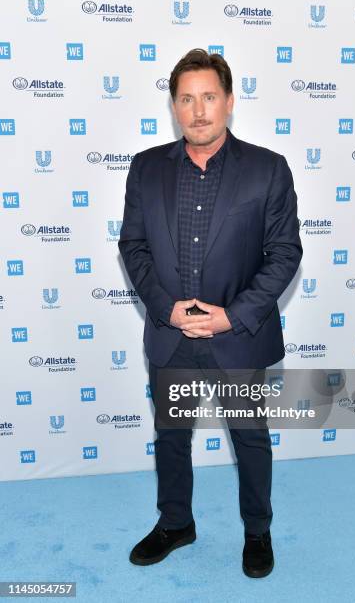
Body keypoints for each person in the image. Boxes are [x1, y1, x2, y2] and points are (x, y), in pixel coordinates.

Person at [118, 48, 302, 578]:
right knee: (172, 435)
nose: (198, 111)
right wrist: (166, 309)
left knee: (250, 439)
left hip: (237, 338)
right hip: (171, 335)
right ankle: (176, 523)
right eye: (186, 99)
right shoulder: (146, 168)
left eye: (209, 97)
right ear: (174, 106)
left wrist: (231, 316)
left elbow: (285, 253)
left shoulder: (268, 170)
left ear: (228, 102)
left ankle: (257, 532)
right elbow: (134, 246)